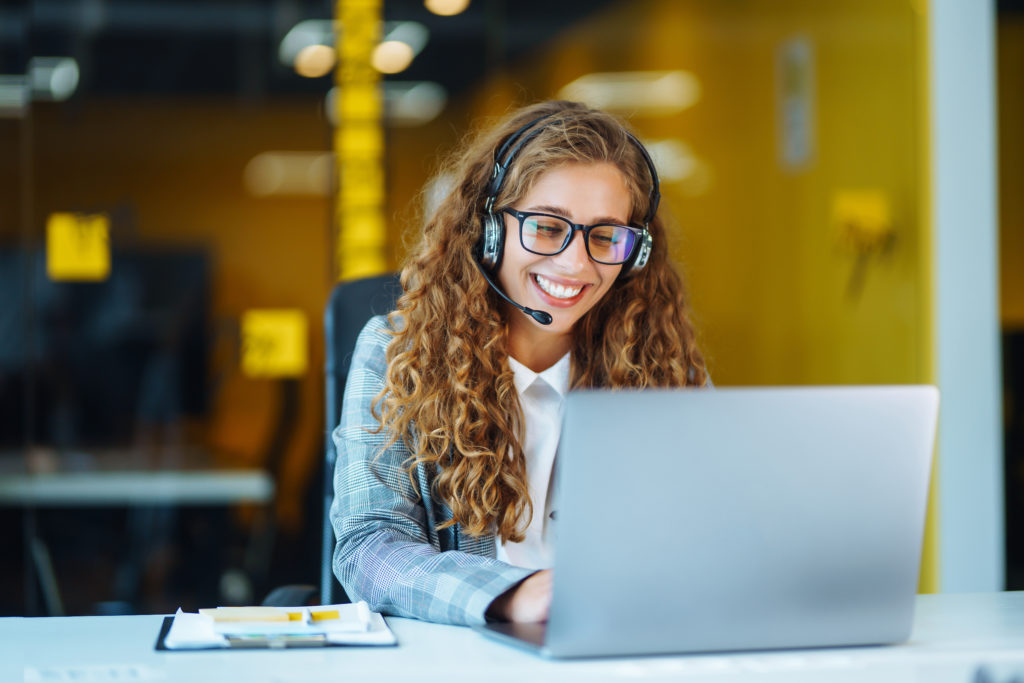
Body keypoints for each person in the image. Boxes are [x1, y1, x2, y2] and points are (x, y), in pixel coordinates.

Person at [330, 100, 707, 626]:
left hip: (617, 643)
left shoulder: (665, 369)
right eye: (548, 227)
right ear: (488, 229)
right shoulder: (397, 353)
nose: (576, 264)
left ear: (633, 253)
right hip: (468, 649)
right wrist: (515, 594)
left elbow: (707, 534)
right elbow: (369, 549)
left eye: (604, 236)